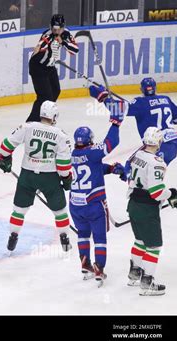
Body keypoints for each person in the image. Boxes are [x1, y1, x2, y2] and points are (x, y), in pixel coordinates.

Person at [0, 100, 73, 253]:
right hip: (49, 179)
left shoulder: (27, 127)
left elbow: (6, 146)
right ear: (54, 116)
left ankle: (13, 236)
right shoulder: (61, 135)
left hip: (27, 176)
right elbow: (64, 164)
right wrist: (66, 179)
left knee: (19, 210)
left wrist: (4, 159)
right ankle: (64, 239)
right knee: (60, 211)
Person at [69, 99, 126, 286]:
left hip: (75, 206)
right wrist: (116, 122)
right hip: (94, 204)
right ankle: (99, 268)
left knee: (83, 234)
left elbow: (94, 167)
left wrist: (111, 169)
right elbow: (112, 142)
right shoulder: (93, 152)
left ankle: (84, 264)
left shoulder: (72, 155)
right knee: (100, 237)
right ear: (89, 140)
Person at [125, 127, 177, 296]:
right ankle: (147, 283)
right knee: (154, 246)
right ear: (159, 142)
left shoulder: (136, 156)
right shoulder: (157, 162)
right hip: (146, 209)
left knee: (140, 241)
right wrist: (172, 193)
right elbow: (156, 193)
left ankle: (134, 273)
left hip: (133, 204)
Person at [89, 77, 177, 165]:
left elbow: (116, 108)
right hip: (174, 143)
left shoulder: (140, 102)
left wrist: (103, 96)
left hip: (156, 146)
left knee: (137, 170)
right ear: (155, 88)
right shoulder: (166, 99)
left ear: (141, 89)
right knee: (157, 172)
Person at [26, 14, 79, 122]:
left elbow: (75, 50)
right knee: (44, 96)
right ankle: (32, 122)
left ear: (63, 27)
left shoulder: (67, 34)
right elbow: (42, 43)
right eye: (53, 29)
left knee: (55, 90)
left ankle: (45, 115)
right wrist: (39, 47)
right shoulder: (48, 34)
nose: (55, 32)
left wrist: (63, 42)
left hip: (50, 67)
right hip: (38, 67)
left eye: (58, 29)